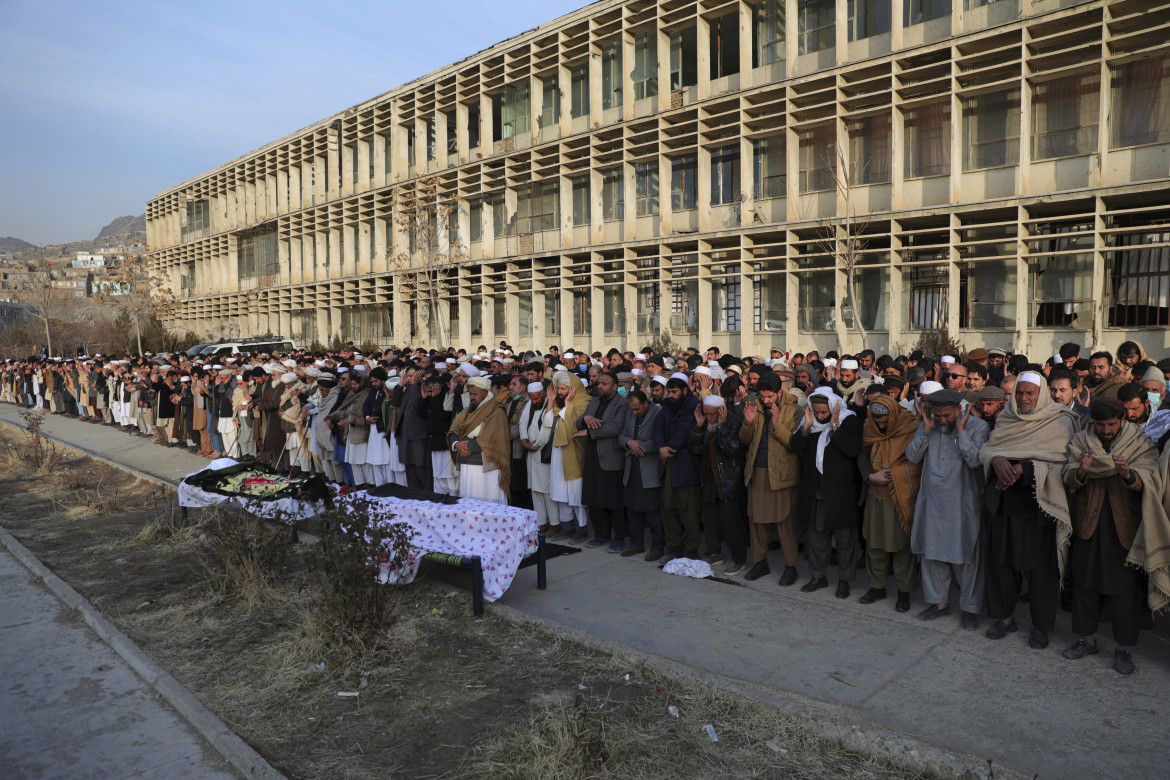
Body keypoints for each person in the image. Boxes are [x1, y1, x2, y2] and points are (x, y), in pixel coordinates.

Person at [1060, 400, 1170, 675]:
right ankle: (1086, 640)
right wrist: (1082, 471)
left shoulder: (1140, 442)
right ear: (1093, 423)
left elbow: (1153, 477)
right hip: (1089, 525)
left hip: (1126, 528)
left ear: (1123, 420)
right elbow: (1066, 476)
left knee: (1125, 593)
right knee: (1084, 586)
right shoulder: (1080, 441)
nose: (1106, 430)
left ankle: (1123, 650)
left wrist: (1129, 475)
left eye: (1111, 424)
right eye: (1101, 425)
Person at [979, 372, 1078, 650]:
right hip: (1002, 504)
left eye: (1029, 393)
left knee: (1040, 573)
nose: (1023, 398)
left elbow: (1064, 460)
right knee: (1001, 566)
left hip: (1038, 508)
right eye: (1019, 393)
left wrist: (1027, 468)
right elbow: (988, 448)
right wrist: (996, 459)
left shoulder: (1060, 420)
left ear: (1042, 394)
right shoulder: (1006, 418)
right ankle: (1005, 618)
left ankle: (1040, 626)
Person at [907, 388, 991, 629]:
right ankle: (938, 602)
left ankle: (970, 608)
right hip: (932, 502)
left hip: (962, 504)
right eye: (938, 415)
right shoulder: (929, 425)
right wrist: (926, 428)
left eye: (946, 416)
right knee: (931, 552)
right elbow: (912, 456)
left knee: (966, 556)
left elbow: (975, 460)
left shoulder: (978, 427)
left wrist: (962, 430)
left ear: (959, 410)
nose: (942, 420)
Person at [791, 387, 863, 598]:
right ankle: (818, 576)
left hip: (841, 493)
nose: (820, 416)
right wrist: (805, 425)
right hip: (816, 492)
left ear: (833, 408)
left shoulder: (849, 421)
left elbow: (852, 449)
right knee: (817, 539)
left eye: (824, 412)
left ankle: (844, 581)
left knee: (844, 541)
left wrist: (835, 427)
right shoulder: (810, 424)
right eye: (817, 412)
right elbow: (795, 447)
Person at [858, 394, 922, 612]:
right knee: (874, 543)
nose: (881, 426)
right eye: (877, 422)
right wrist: (870, 476)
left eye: (884, 422)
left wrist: (893, 474)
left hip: (901, 497)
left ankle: (904, 593)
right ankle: (877, 587)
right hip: (874, 496)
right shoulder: (869, 426)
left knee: (902, 547)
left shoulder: (911, 426)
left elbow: (917, 461)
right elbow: (862, 456)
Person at [738, 372, 802, 585]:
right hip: (757, 472)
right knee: (757, 521)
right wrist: (747, 423)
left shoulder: (795, 409)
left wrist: (776, 424)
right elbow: (745, 440)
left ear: (779, 392)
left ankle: (791, 567)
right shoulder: (754, 407)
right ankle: (760, 562)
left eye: (769, 397)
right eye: (762, 397)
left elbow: (794, 444)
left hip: (782, 475)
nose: (765, 401)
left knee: (786, 523)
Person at [687, 395, 748, 575]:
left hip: (728, 481)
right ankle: (714, 553)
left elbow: (733, 450)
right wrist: (699, 426)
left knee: (731, 523)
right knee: (710, 520)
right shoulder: (704, 422)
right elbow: (695, 448)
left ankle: (739, 559)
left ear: (721, 411)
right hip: (709, 480)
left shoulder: (733, 423)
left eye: (712, 414)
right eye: (706, 414)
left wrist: (721, 427)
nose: (709, 418)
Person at [578, 371, 630, 552]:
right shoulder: (594, 401)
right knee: (595, 497)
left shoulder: (622, 404)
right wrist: (586, 418)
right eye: (599, 383)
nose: (599, 386)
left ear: (615, 387)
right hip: (592, 455)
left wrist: (590, 432)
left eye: (604, 384)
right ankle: (601, 535)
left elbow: (615, 427)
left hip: (611, 456)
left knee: (614, 500)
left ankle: (619, 537)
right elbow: (579, 421)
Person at [653, 375, 702, 564]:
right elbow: (657, 428)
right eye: (669, 391)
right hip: (667, 462)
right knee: (669, 508)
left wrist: (668, 449)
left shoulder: (694, 406)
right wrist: (660, 448)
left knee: (688, 511)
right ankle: (673, 547)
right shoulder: (667, 406)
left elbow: (686, 431)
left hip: (686, 465)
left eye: (674, 392)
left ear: (684, 390)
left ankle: (690, 549)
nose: (670, 395)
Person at [447, 376, 511, 504]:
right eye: (470, 394)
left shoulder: (495, 410)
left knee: (487, 506)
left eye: (475, 394)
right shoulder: (467, 411)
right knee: (469, 505)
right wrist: (456, 444)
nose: (472, 397)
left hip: (486, 467)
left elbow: (491, 437)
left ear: (485, 393)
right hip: (466, 465)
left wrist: (467, 448)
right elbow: (453, 430)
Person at [619, 389, 663, 560]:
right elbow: (621, 436)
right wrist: (628, 442)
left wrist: (638, 448)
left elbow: (660, 439)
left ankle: (657, 547)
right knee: (632, 509)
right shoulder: (630, 414)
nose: (634, 412)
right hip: (631, 469)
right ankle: (636, 543)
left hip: (649, 470)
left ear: (645, 403)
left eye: (637, 409)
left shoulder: (658, 414)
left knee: (652, 512)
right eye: (632, 409)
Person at [549, 371, 591, 543]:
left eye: (564, 389)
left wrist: (568, 404)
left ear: (573, 388)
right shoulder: (558, 405)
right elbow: (549, 424)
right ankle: (567, 528)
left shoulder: (585, 402)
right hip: (559, 453)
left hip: (574, 452)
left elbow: (574, 426)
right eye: (558, 388)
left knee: (576, 493)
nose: (560, 392)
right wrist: (557, 402)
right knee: (561, 492)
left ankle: (582, 530)